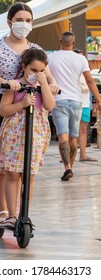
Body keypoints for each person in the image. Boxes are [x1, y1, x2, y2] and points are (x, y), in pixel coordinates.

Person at [0, 2, 60, 226]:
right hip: (4, 99)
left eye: (28, 20)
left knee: (25, 166)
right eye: (19, 20)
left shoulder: (35, 47)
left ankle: (21, 213)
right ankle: (3, 212)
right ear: (9, 22)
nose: (24, 24)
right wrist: (8, 84)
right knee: (0, 162)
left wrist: (52, 85)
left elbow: (47, 74)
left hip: (32, 103)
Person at [0, 48, 56, 228]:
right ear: (24, 67)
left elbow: (50, 106)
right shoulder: (15, 85)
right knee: (12, 173)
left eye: (41, 71)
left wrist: (44, 85)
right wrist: (21, 104)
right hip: (14, 133)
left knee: (30, 175)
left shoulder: (43, 88)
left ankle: (24, 214)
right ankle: (11, 215)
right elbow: (3, 110)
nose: (37, 74)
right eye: (33, 70)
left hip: (36, 133)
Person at [48, 31, 101, 181]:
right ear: (74, 42)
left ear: (60, 41)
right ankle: (70, 167)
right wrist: (99, 100)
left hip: (58, 100)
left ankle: (67, 168)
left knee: (62, 136)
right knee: (74, 137)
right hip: (77, 101)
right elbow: (90, 81)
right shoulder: (81, 59)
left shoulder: (50, 58)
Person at [74, 49, 97, 162]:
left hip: (85, 104)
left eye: (83, 57)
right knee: (71, 131)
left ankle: (83, 154)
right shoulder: (72, 72)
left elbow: (89, 85)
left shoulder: (86, 72)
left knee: (83, 130)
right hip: (74, 102)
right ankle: (68, 155)